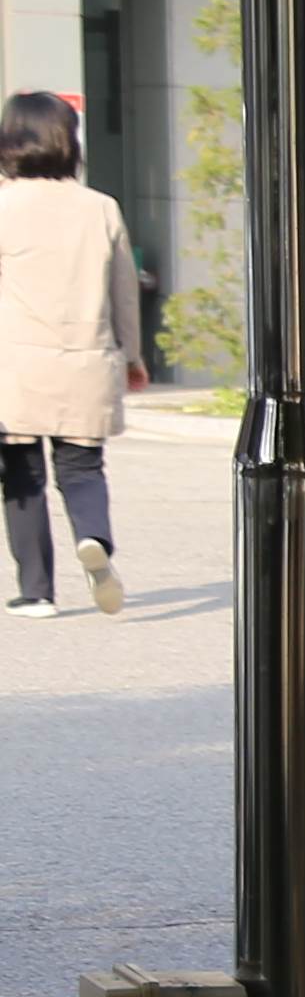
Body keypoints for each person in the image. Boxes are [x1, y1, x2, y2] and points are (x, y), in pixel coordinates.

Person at [0, 91, 138, 618]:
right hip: (87, 359)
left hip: (16, 367)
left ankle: (37, 592)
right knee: (82, 469)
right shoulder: (100, 208)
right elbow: (124, 291)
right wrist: (132, 355)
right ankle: (93, 537)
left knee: (22, 476)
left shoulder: (4, 205)